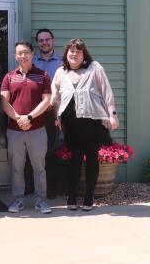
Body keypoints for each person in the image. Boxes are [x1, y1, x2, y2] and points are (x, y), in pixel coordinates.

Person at [51, 38, 119, 211]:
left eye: (78, 51)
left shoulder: (94, 68)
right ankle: (72, 195)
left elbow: (107, 92)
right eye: (71, 51)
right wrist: (57, 116)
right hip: (71, 127)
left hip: (93, 125)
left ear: (84, 54)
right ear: (66, 54)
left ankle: (89, 196)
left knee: (92, 160)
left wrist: (113, 115)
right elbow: (55, 98)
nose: (74, 54)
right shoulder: (61, 72)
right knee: (73, 160)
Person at [0, 41, 52, 214]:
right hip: (14, 131)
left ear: (32, 54)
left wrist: (29, 117)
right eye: (19, 53)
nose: (23, 56)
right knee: (16, 168)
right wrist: (18, 118)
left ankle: (41, 200)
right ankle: (18, 200)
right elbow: (4, 101)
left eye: (26, 52)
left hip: (37, 130)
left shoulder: (43, 75)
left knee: (39, 167)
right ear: (15, 56)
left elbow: (47, 101)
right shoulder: (9, 77)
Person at [33, 28, 64, 199]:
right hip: (35, 111)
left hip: (53, 111)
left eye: (47, 40)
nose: (44, 43)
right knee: (33, 147)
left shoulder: (62, 62)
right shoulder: (32, 60)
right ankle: (32, 184)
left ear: (53, 40)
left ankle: (51, 186)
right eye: (41, 40)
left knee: (51, 149)